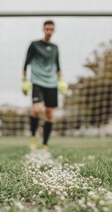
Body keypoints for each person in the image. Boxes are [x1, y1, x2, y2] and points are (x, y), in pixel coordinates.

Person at [22, 20, 67, 151]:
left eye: (51, 29)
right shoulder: (34, 45)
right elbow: (25, 63)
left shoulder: (55, 47)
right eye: (47, 29)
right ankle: (33, 137)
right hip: (37, 82)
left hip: (52, 84)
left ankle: (45, 143)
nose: (49, 31)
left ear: (54, 31)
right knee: (36, 109)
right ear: (43, 29)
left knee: (49, 115)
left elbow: (57, 66)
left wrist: (61, 80)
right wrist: (24, 80)